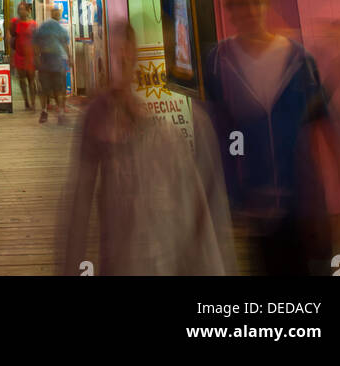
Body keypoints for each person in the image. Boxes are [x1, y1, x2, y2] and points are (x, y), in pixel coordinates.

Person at [61, 22, 236, 275]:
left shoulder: (191, 115)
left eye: (129, 51)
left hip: (172, 252)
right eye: (118, 51)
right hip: (124, 256)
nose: (123, 57)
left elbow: (204, 200)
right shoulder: (101, 115)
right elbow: (79, 203)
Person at [203, 0, 333, 276]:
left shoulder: (299, 60)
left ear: (266, 4)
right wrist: (234, 186)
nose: (249, 11)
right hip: (255, 202)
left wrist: (327, 191)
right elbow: (226, 134)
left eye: (255, 2)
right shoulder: (219, 63)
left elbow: (319, 129)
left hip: (300, 198)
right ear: (229, 10)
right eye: (240, 4)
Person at [34, 7, 71, 124]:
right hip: (55, 62)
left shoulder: (44, 27)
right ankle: (58, 113)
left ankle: (46, 112)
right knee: (58, 89)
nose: (58, 15)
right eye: (57, 13)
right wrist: (69, 59)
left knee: (45, 89)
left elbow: (36, 44)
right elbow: (65, 45)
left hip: (47, 62)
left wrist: (37, 58)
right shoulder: (60, 29)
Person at [9, 3, 38, 110]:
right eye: (19, 9)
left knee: (31, 80)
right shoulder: (14, 22)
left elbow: (37, 39)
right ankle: (26, 101)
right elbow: (11, 37)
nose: (21, 11)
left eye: (23, 9)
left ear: (28, 11)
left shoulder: (34, 24)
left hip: (30, 55)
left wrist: (37, 54)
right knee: (22, 80)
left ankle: (33, 102)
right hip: (19, 54)